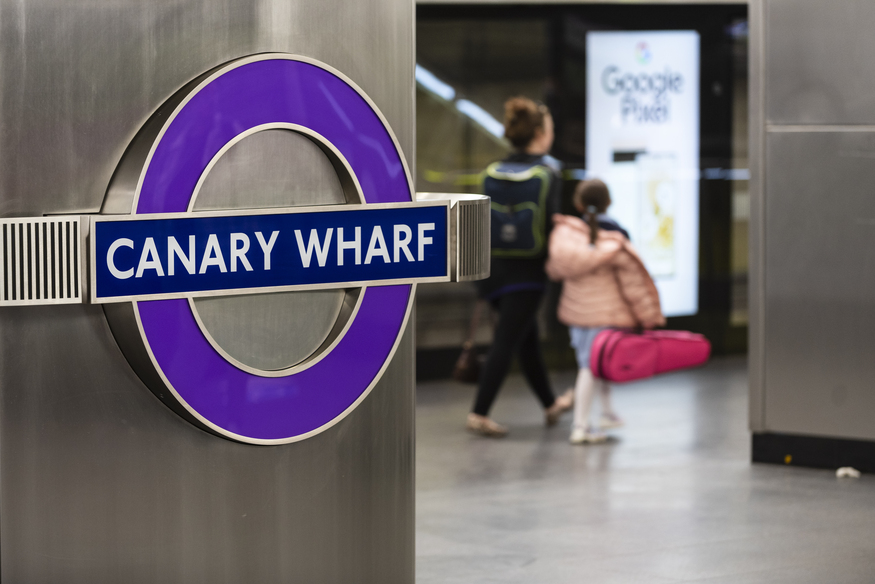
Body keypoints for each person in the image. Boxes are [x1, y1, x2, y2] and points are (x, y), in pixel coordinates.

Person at [466, 97, 572, 437]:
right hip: (528, 272)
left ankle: (550, 404)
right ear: (541, 133)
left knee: (524, 338)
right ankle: (479, 413)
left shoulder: (494, 171)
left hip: (493, 270)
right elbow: (553, 223)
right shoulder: (549, 172)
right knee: (508, 341)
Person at [546, 179, 665, 444]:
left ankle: (605, 414)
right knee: (592, 367)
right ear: (609, 203)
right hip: (606, 315)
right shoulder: (617, 238)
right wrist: (647, 316)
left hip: (577, 315)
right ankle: (581, 426)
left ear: (577, 203)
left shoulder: (568, 236)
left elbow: (554, 270)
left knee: (591, 364)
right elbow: (633, 284)